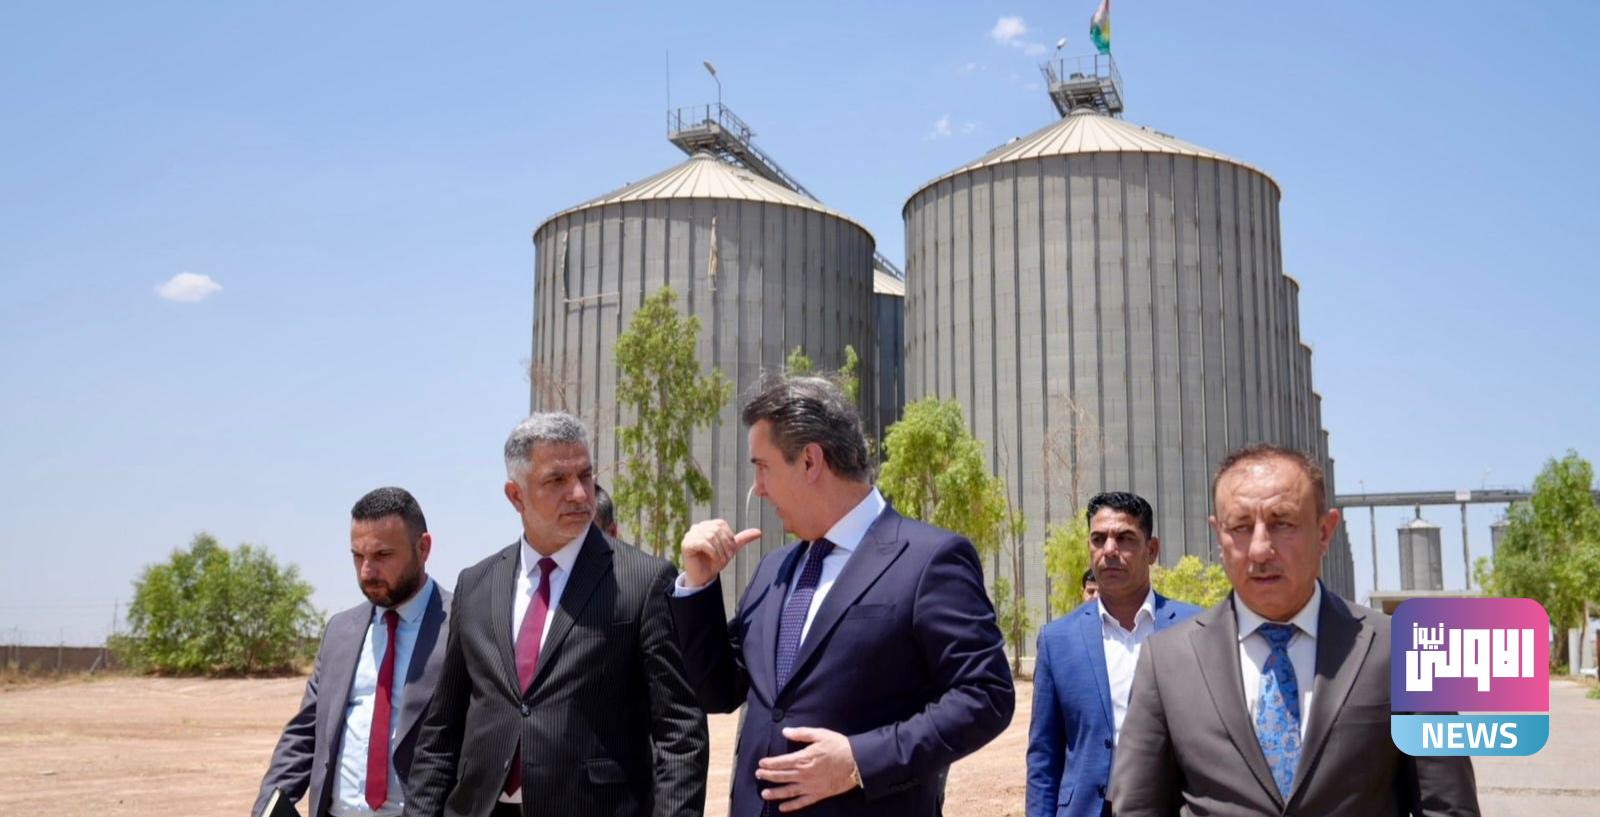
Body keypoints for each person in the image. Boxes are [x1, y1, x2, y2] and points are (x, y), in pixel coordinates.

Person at [670, 376, 1014, 817]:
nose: (758, 487)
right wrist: (698, 585)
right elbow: (718, 691)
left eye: (762, 467)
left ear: (810, 461)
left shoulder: (929, 560)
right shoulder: (774, 570)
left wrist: (859, 762)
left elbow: (986, 694)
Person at [1108, 444, 1480, 816]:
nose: (1259, 549)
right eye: (1240, 527)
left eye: (1282, 523)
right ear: (1218, 535)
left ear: (1324, 531)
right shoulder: (1167, 661)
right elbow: (1139, 809)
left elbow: (1448, 807)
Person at [404, 413, 708, 817]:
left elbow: (680, 732)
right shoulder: (475, 586)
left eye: (585, 476)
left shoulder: (642, 581)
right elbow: (442, 729)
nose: (579, 494)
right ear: (516, 496)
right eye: (557, 480)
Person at [254, 487, 451, 817]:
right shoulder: (339, 631)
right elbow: (306, 733)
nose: (366, 572)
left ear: (423, 548)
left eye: (382, 555)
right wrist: (266, 808)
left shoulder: (462, 627)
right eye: (358, 556)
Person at [1027, 492, 1201, 817]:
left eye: (1124, 538)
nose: (1109, 549)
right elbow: (1044, 755)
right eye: (1098, 539)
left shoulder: (1195, 628)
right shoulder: (1057, 640)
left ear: (1152, 550)